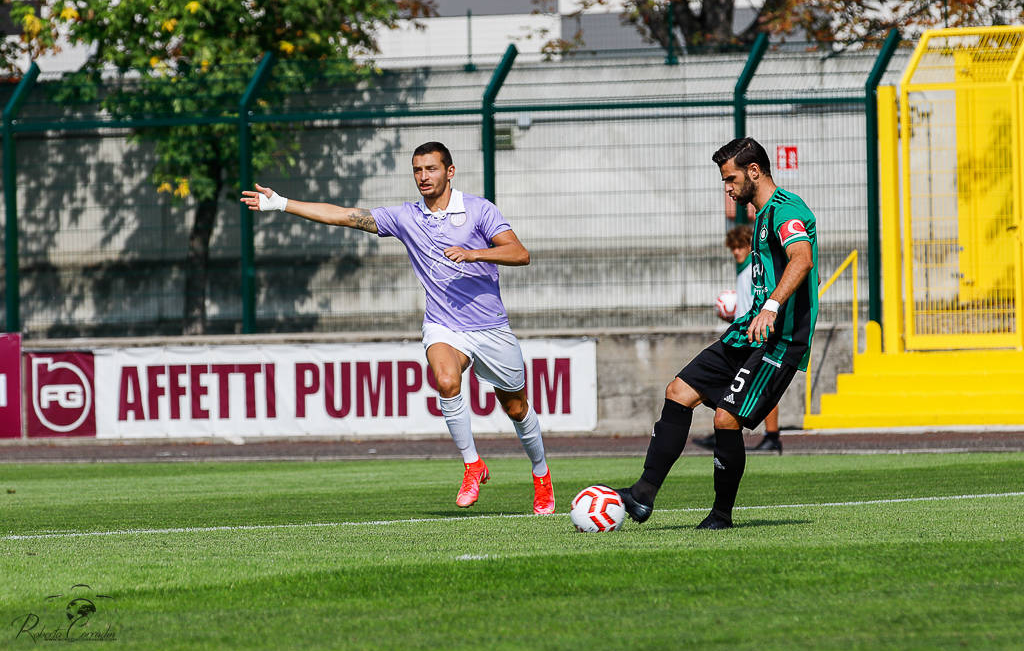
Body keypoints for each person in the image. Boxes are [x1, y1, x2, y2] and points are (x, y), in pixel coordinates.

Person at [240, 141, 555, 514]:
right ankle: (473, 464)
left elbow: (520, 253)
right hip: (444, 325)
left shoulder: (479, 211)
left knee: (517, 408)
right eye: (418, 170)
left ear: (449, 171)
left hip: (490, 328)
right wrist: (282, 204)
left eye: (431, 169)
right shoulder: (407, 217)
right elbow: (344, 215)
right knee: (446, 380)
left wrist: (474, 253)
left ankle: (541, 476)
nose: (423, 177)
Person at [616, 137, 818, 529]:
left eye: (731, 178)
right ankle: (642, 495)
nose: (727, 187)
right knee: (678, 391)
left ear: (754, 171)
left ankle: (721, 515)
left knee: (726, 417)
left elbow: (802, 258)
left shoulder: (786, 210)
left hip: (780, 339)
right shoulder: (758, 217)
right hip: (747, 333)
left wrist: (773, 306)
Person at [692, 224, 783, 453]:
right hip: (743, 337)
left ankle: (772, 436)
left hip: (756, 338)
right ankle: (722, 432)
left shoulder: (755, 268)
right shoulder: (744, 272)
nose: (736, 252)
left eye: (740, 246)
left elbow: (759, 302)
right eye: (733, 248)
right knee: (731, 388)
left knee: (763, 389)